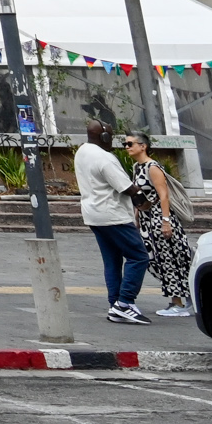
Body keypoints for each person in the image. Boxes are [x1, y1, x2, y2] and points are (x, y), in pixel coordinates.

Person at [74, 119, 148, 324]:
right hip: (113, 215)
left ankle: (115, 303)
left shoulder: (83, 151)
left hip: (93, 215)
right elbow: (127, 188)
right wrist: (145, 205)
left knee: (112, 260)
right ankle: (124, 303)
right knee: (138, 257)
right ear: (105, 137)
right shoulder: (104, 158)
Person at [125, 134, 195, 319]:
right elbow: (140, 194)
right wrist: (137, 216)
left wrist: (166, 221)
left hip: (160, 218)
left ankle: (179, 302)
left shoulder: (153, 167)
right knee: (156, 259)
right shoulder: (137, 167)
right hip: (148, 219)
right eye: (125, 144)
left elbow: (164, 195)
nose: (127, 147)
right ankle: (183, 300)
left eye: (130, 144)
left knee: (171, 258)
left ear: (143, 146)